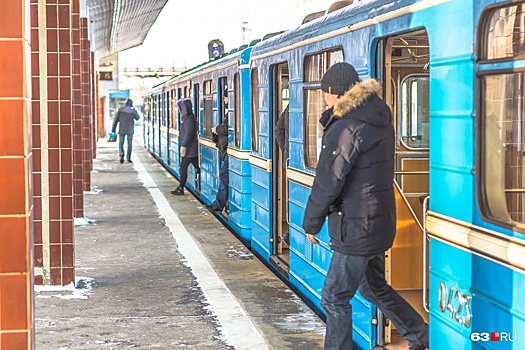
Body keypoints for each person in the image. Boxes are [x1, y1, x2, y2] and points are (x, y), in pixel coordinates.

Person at [302, 62, 428, 350]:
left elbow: (329, 180)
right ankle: (419, 334)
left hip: (355, 226)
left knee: (334, 297)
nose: (324, 98)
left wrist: (312, 222)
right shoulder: (376, 116)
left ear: (333, 92)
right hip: (376, 223)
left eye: (324, 93)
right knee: (372, 287)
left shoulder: (345, 126)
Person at [171, 98, 200, 195]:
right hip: (191, 148)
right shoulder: (189, 118)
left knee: (183, 167)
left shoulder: (188, 119)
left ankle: (181, 188)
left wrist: (183, 146)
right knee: (196, 165)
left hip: (189, 148)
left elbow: (189, 133)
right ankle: (196, 181)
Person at [206, 94, 229, 212]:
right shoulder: (230, 112)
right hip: (225, 149)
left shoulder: (232, 112)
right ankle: (220, 204)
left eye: (225, 97)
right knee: (225, 177)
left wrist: (217, 129)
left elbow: (229, 128)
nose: (224, 100)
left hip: (228, 151)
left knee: (224, 177)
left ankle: (218, 205)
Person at [111, 98, 140, 163]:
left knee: (121, 143)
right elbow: (137, 118)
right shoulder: (133, 111)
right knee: (129, 144)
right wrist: (135, 110)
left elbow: (116, 120)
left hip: (122, 129)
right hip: (130, 130)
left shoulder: (121, 110)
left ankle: (121, 153)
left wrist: (113, 129)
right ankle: (128, 157)